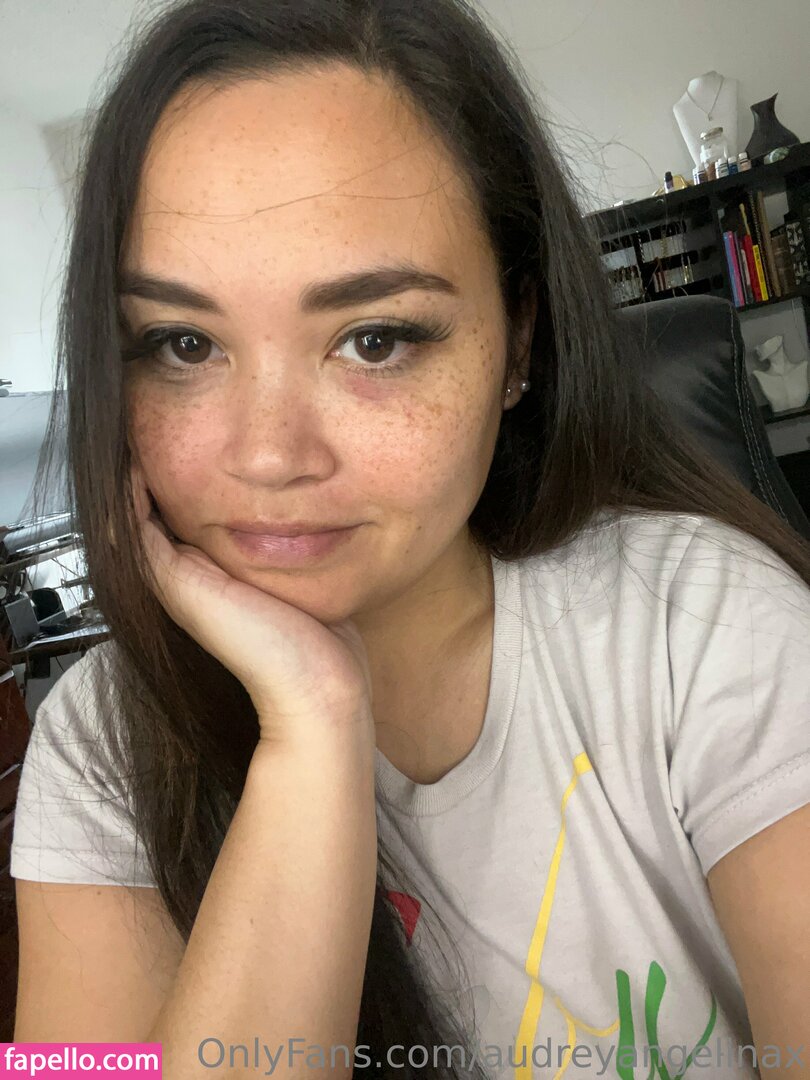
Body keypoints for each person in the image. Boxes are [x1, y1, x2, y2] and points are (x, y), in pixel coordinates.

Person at [9, 0, 810, 1076]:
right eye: (183, 344)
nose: (269, 456)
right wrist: (311, 725)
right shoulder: (95, 745)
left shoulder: (704, 629)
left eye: (375, 339)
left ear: (517, 339)